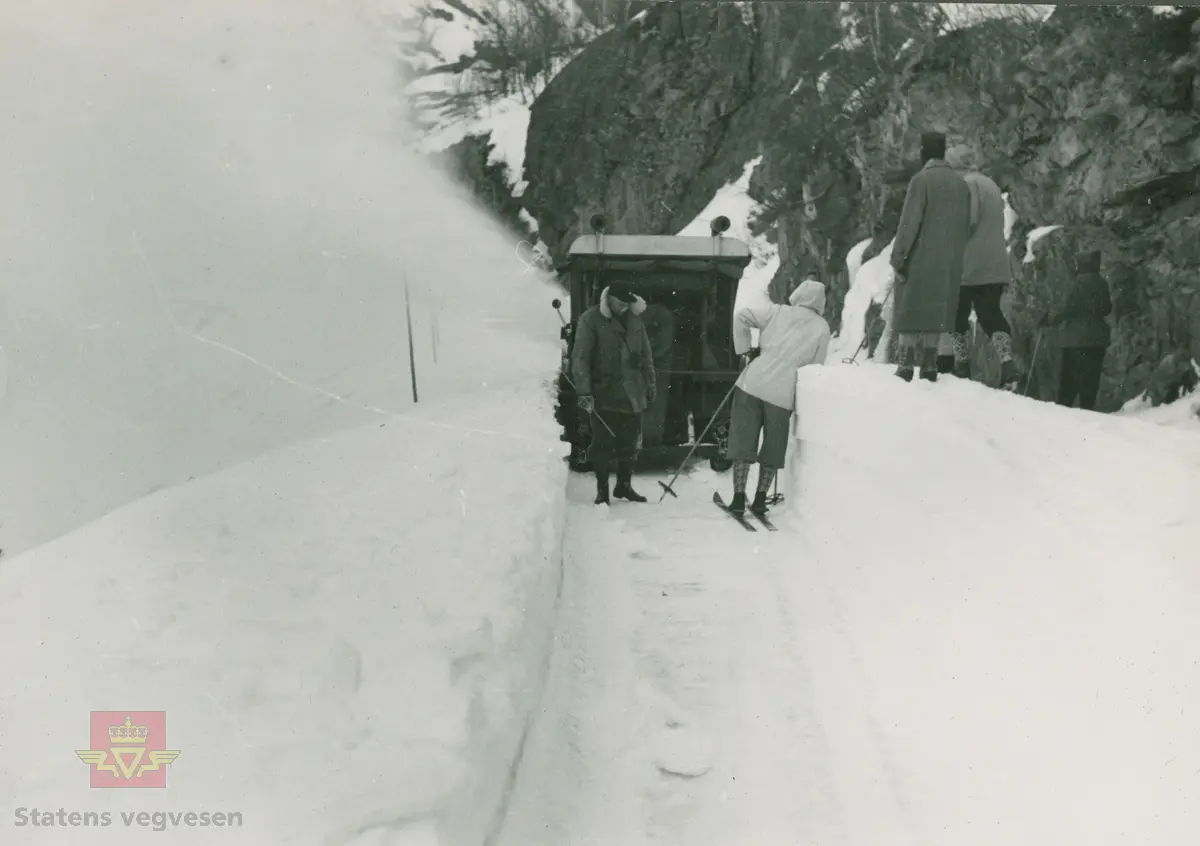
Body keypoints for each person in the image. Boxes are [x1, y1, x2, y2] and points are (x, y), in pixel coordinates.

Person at [725, 277, 831, 516]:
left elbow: (741, 315)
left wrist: (745, 350)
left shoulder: (777, 311)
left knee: (743, 441)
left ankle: (738, 498)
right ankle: (761, 499)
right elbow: (817, 367)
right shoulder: (822, 328)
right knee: (773, 447)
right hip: (782, 395)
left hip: (751, 384)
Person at [889, 131, 972, 383]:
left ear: (924, 151)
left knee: (911, 306)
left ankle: (905, 363)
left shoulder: (921, 181)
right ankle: (929, 364)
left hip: (920, 257)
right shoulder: (961, 185)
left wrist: (899, 257)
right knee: (936, 308)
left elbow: (909, 223)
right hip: (949, 261)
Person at [571, 282, 656, 505]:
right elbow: (580, 357)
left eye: (627, 304)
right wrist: (584, 391)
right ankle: (602, 491)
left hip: (632, 393)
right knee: (602, 444)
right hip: (604, 393)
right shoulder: (590, 319)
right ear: (608, 300)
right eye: (620, 303)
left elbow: (646, 355)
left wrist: (651, 384)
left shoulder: (636, 321)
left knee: (629, 443)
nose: (624, 308)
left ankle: (624, 486)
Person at [945, 144, 1020, 387]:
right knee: (991, 314)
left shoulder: (966, 185)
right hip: (995, 263)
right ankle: (1007, 363)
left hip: (969, 265)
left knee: (957, 314)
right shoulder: (990, 184)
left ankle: (962, 364)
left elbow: (966, 221)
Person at [1041, 249, 1112, 411]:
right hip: (1098, 341)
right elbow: (1107, 308)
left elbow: (1068, 308)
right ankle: (1088, 414)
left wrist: (1049, 318)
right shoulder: (1102, 283)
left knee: (1068, 385)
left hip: (1075, 341)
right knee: (1090, 384)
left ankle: (1062, 419)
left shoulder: (1078, 283)